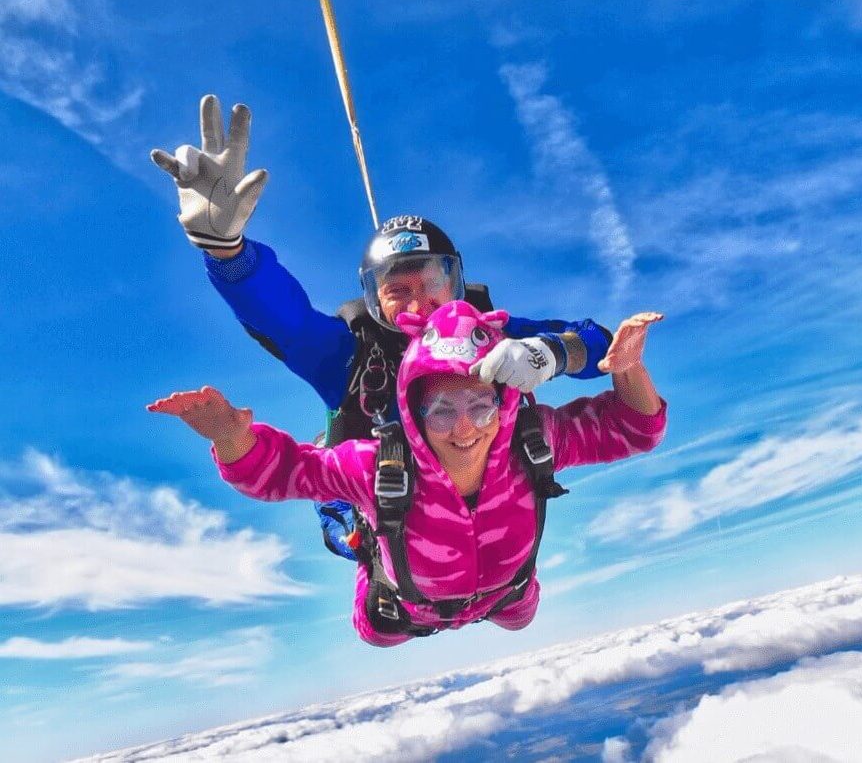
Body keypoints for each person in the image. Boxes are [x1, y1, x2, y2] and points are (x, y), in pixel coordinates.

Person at [150, 96, 615, 559]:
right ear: (374, 299)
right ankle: (346, 521)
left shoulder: (490, 333)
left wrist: (552, 353)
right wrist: (227, 253)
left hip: (495, 515)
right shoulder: (351, 354)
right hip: (393, 532)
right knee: (382, 604)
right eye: (396, 291)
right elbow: (282, 318)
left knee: (514, 606)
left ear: (456, 282)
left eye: (433, 281)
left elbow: (600, 345)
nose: (420, 302)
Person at [148, 301, 665, 646]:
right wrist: (231, 437)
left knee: (519, 618)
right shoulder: (375, 465)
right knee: (373, 629)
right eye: (440, 408)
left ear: (505, 401)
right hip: (401, 611)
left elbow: (637, 427)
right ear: (413, 410)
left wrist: (628, 368)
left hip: (510, 596)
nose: (464, 428)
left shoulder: (535, 439)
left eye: (481, 405)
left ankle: (372, 532)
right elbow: (284, 472)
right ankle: (361, 535)